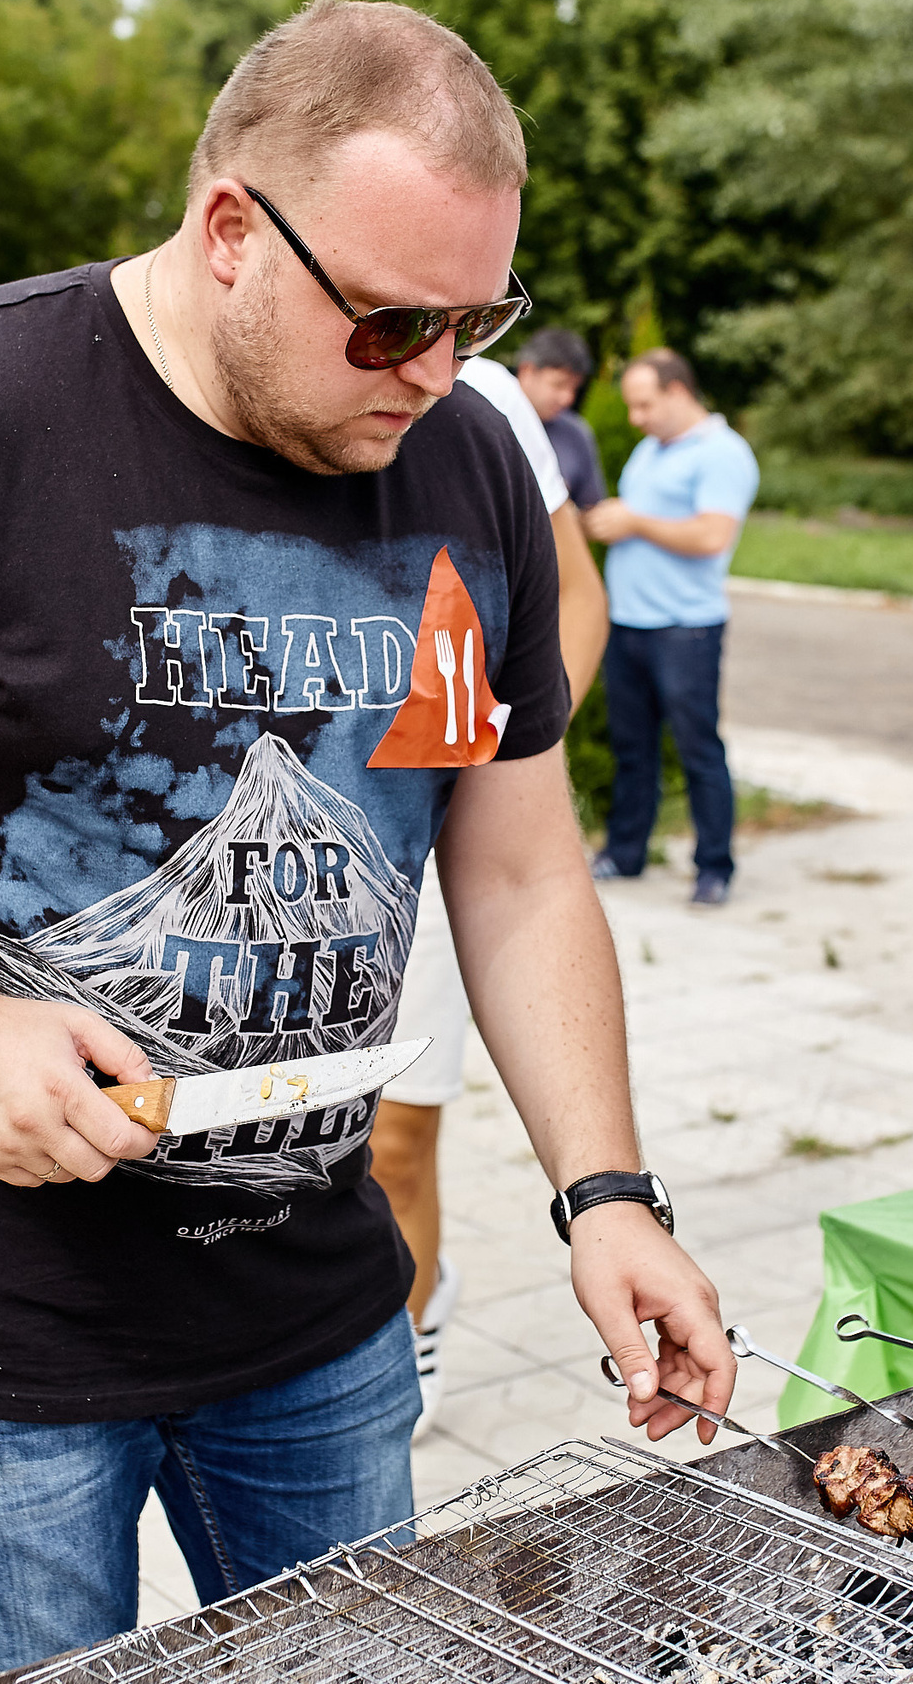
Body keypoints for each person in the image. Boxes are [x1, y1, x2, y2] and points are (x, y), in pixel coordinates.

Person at [0, 0, 731, 1682]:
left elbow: (524, 862)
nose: (434, 372)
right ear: (234, 228)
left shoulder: (469, 462)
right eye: (391, 320)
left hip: (321, 1297)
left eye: (478, 317)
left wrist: (604, 1191)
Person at [367, 349, 606, 1440]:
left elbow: (576, 604)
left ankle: (410, 1322)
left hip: (432, 827)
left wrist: (505, 770)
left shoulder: (487, 400)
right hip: (301, 845)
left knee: (394, 1139)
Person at [583, 348, 760, 906]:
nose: (635, 418)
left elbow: (711, 536)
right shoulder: (650, 450)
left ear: (679, 392)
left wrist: (633, 521)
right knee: (632, 748)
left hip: (685, 629)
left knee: (697, 748)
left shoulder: (722, 454)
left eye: (644, 404)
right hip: (630, 622)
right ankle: (625, 852)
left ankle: (714, 867)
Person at [514, 327, 606, 513]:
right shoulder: (487, 419)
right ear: (527, 371)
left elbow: (591, 510)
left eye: (574, 388)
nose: (568, 398)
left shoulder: (576, 433)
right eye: (559, 384)